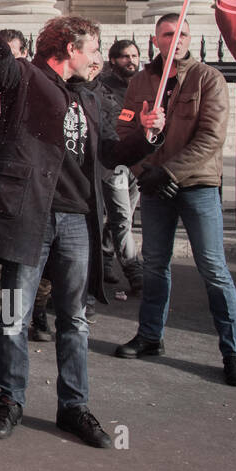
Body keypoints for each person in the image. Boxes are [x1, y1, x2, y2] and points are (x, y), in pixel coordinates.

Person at [0, 0, 165, 447]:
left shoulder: (91, 99)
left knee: (74, 317)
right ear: (71, 48)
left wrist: (146, 135)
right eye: (92, 49)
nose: (98, 58)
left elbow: (111, 153)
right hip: (29, 217)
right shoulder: (24, 78)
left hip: (76, 221)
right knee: (15, 314)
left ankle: (74, 406)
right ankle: (10, 400)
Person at [114, 15, 236, 388]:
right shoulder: (141, 81)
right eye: (168, 34)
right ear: (155, 39)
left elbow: (211, 138)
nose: (176, 40)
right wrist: (146, 169)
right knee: (155, 265)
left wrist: (169, 172)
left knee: (213, 268)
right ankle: (150, 336)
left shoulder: (208, 78)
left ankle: (233, 352)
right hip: (155, 187)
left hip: (197, 185)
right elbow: (125, 131)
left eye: (183, 34)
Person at [93, 39, 143, 291]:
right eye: (125, 56)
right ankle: (135, 272)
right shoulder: (103, 87)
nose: (131, 60)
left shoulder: (142, 86)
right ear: (112, 60)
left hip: (138, 161)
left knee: (122, 217)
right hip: (115, 163)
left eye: (134, 55)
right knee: (122, 218)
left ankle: (105, 261)